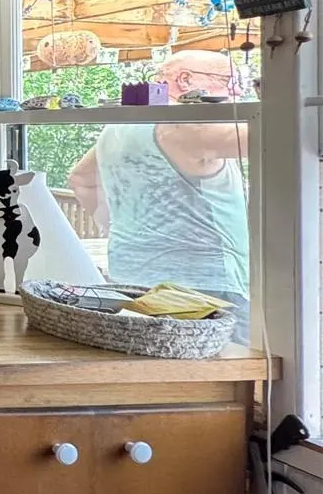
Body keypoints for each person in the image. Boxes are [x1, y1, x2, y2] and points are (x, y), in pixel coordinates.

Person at [68, 49, 250, 332]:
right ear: (185, 80)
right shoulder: (189, 125)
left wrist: (122, 227)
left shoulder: (118, 128)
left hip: (130, 277)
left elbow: (80, 179)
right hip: (203, 288)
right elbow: (282, 135)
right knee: (225, 358)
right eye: (230, 80)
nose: (239, 90)